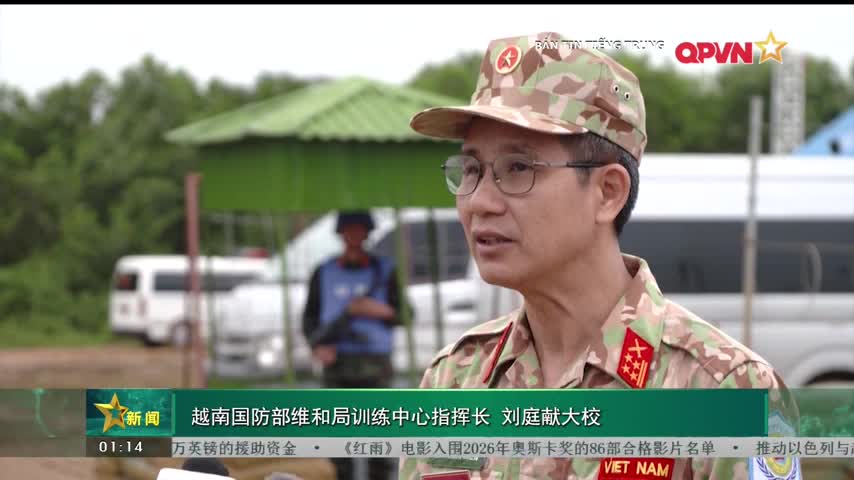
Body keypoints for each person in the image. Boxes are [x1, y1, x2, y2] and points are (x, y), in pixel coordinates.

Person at [399, 32, 801, 480]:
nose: (479, 201)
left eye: (518, 168)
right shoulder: (454, 381)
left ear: (608, 193)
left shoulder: (725, 389)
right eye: (471, 169)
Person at [302, 210, 406, 480]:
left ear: (368, 233)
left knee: (380, 444)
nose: (354, 236)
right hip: (337, 366)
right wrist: (317, 347)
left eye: (360, 230)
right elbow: (309, 319)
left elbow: (406, 314)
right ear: (341, 234)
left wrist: (377, 310)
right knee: (338, 445)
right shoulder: (323, 272)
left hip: (376, 367)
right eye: (349, 230)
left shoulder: (385, 270)